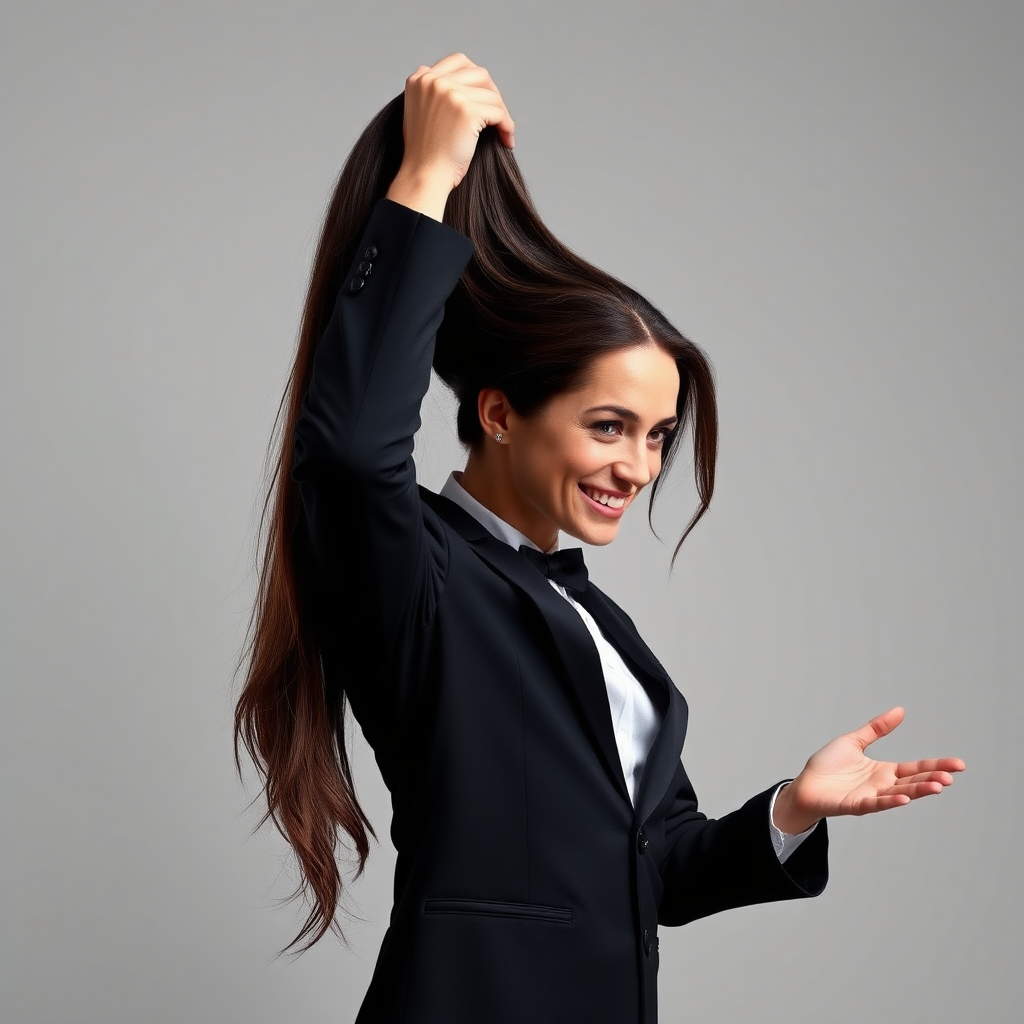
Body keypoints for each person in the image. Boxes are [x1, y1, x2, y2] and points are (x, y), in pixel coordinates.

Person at [234, 53, 965, 1024]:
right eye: (609, 426)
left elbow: (653, 868)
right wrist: (424, 178)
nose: (640, 466)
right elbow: (352, 448)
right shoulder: (419, 578)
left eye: (657, 436)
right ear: (498, 413)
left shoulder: (602, 626)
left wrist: (793, 806)